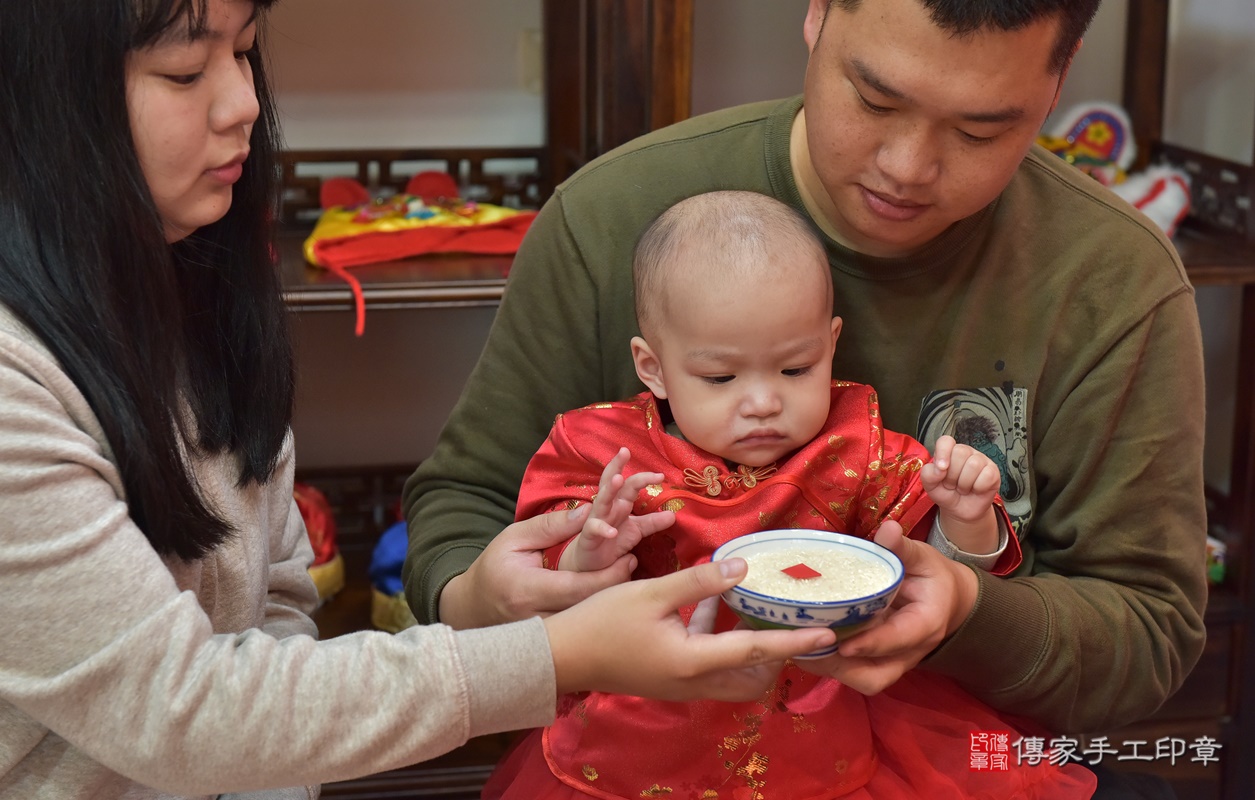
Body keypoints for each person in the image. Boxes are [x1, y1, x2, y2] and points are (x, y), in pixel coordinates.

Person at [0, 2, 840, 798]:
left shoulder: (198, 299)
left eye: (246, 48)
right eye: (186, 70)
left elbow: (283, 597)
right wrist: (552, 654)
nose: (243, 103)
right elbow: (178, 708)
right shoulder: (17, 385)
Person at [403, 0, 1208, 782]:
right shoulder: (610, 218)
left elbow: (1147, 634)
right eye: (874, 98)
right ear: (816, 15)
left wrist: (964, 609)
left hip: (935, 750)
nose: (907, 166)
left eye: (979, 130)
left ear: (1059, 80)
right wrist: (488, 595)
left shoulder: (1111, 279)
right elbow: (463, 509)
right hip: (645, 747)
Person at [482, 189, 1098, 798]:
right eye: (720, 377)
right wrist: (590, 551)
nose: (762, 403)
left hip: (818, 716)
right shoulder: (603, 450)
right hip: (641, 723)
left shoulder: (856, 447)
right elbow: (542, 584)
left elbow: (924, 576)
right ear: (653, 368)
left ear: (831, 343)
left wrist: (966, 520)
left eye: (796, 369)